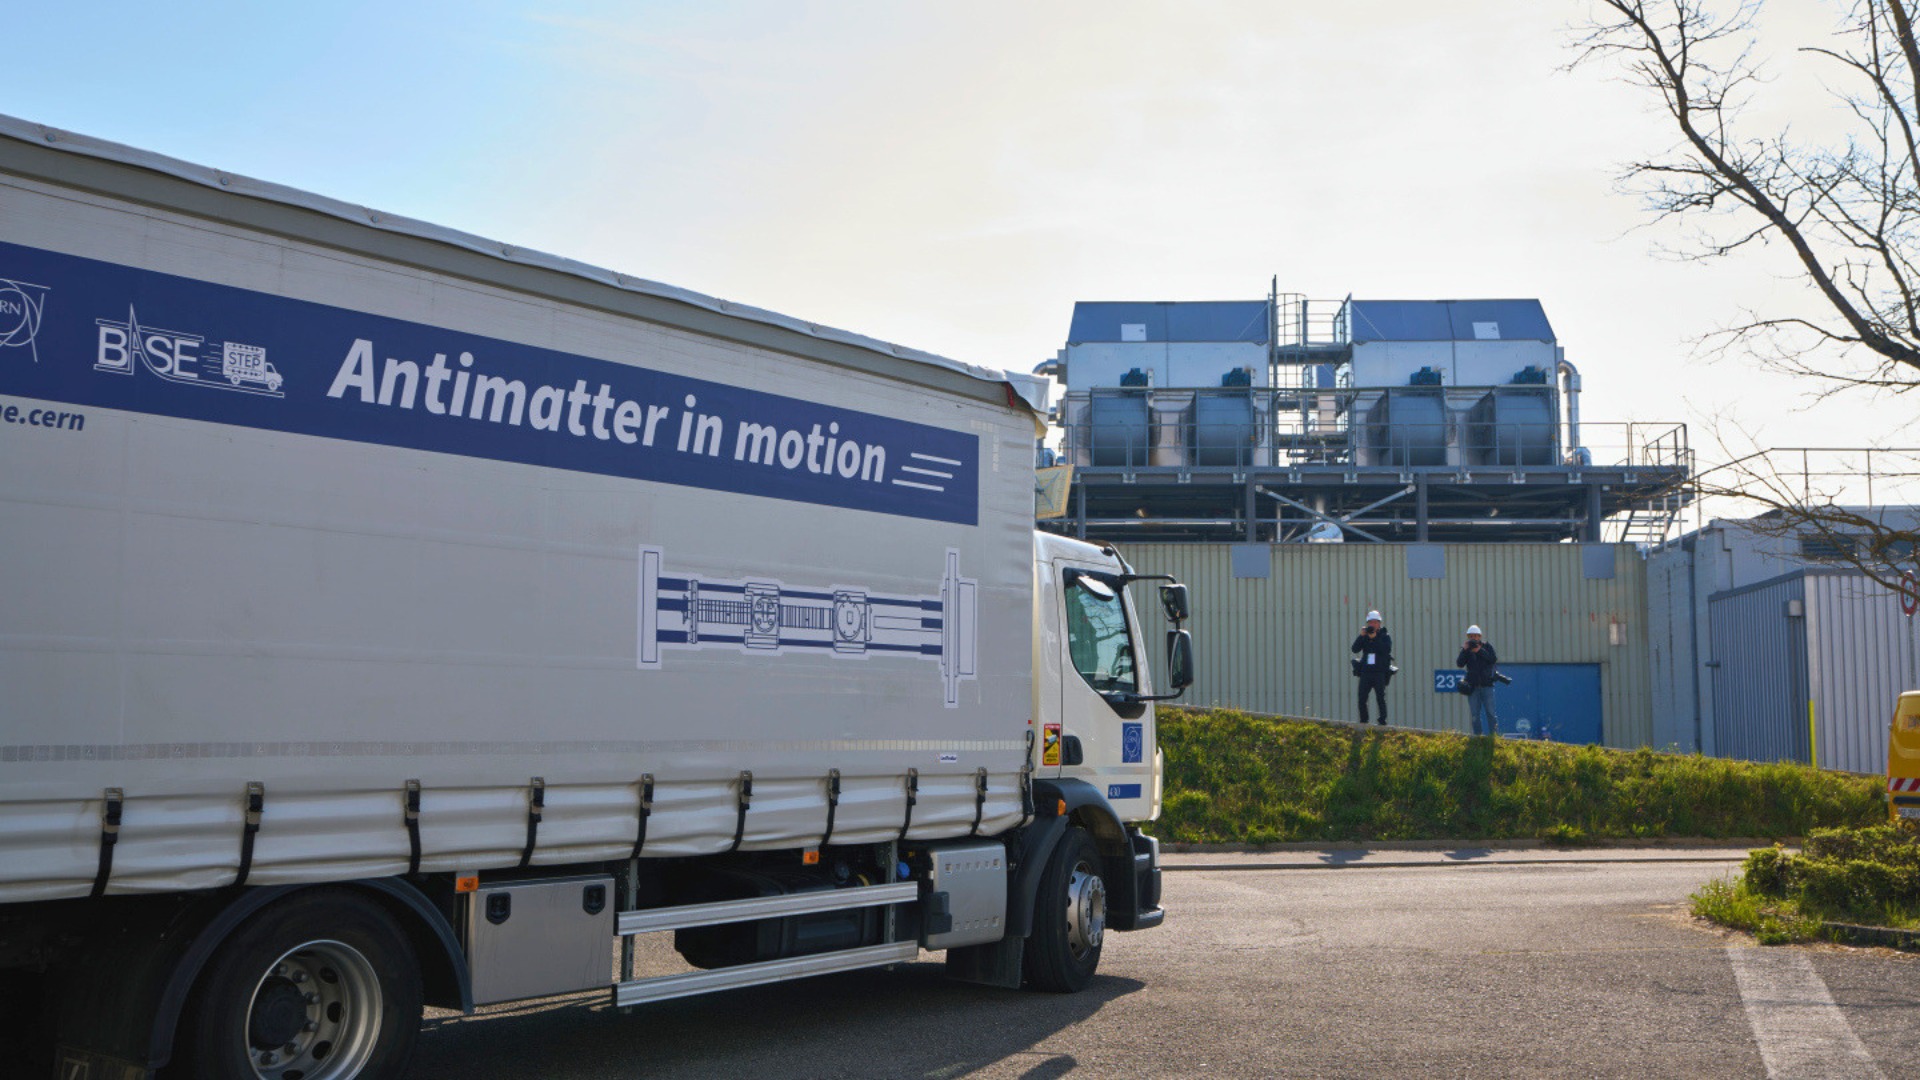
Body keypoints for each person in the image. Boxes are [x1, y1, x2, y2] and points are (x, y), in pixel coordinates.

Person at [1350, 610, 1393, 725]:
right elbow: (1354, 649)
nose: (1372, 625)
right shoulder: (1365, 636)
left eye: (1375, 622)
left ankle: (1382, 721)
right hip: (1366, 672)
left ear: (1379, 623)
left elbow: (1386, 650)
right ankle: (1364, 721)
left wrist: (1375, 638)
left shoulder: (1385, 636)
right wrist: (1361, 636)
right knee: (1362, 698)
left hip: (1379, 672)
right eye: (1370, 622)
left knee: (1380, 697)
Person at [1457, 624, 1500, 737]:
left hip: (1487, 686)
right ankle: (1478, 736)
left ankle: (1494, 736)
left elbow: (1493, 659)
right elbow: (1459, 664)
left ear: (1479, 636)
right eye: (1471, 636)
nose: (1473, 638)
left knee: (1491, 713)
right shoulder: (1466, 650)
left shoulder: (1487, 647)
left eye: (1475, 636)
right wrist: (1464, 650)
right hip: (1473, 687)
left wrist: (1479, 651)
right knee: (1475, 714)